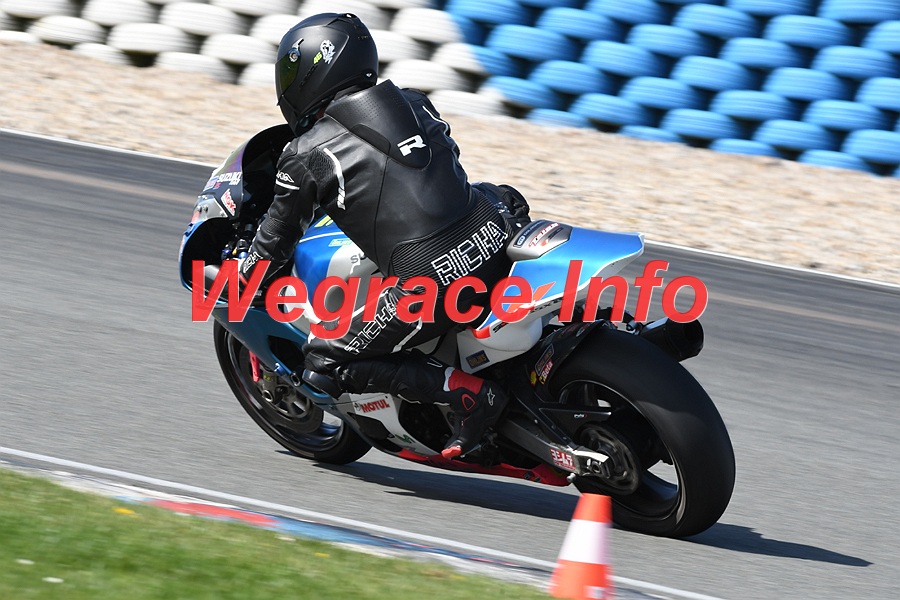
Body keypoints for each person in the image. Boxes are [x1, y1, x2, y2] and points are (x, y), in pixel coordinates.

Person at [237, 13, 531, 459]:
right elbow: (434, 172)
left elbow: (274, 241)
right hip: (495, 231)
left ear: (315, 70)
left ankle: (471, 396)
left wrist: (242, 276)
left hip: (432, 284)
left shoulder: (305, 153)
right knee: (494, 191)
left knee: (325, 362)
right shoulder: (415, 101)